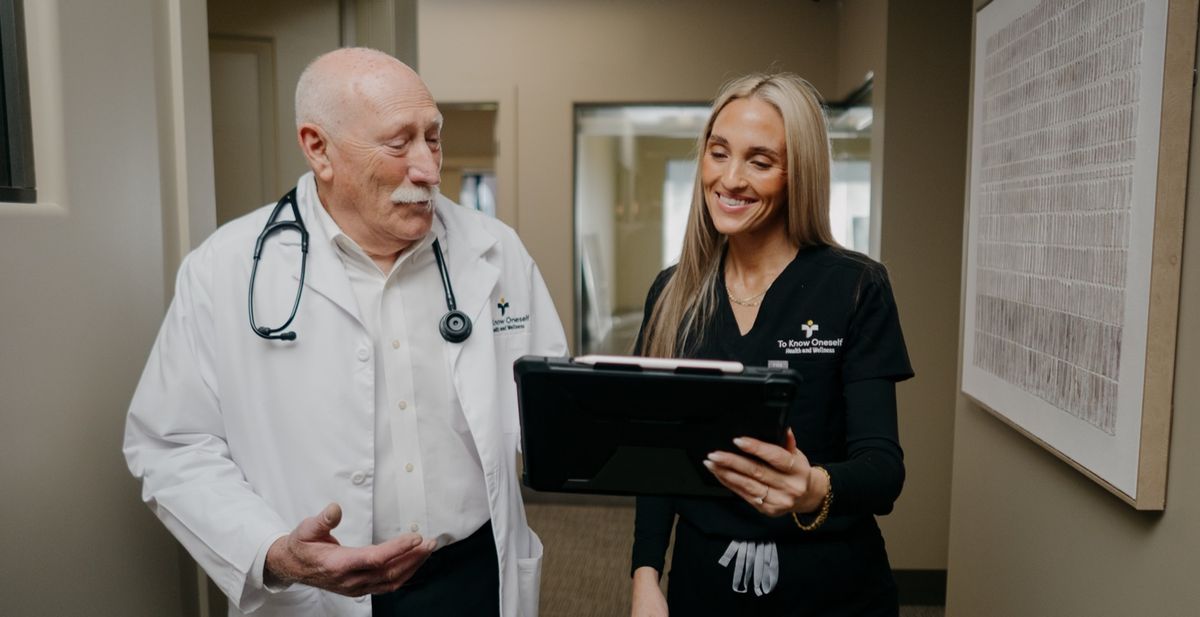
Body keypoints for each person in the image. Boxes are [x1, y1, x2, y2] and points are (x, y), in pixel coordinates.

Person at [124, 47, 566, 617]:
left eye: (433, 138)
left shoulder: (495, 249)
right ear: (318, 148)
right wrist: (274, 553)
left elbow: (549, 401)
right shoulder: (225, 268)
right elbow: (172, 445)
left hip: (473, 572)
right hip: (316, 592)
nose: (429, 169)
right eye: (398, 143)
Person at [629, 73, 913, 616]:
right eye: (719, 153)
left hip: (831, 587)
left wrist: (812, 487)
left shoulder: (855, 287)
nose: (730, 179)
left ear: (797, 176)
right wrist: (645, 574)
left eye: (760, 162)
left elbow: (883, 470)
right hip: (703, 584)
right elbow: (656, 457)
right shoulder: (672, 293)